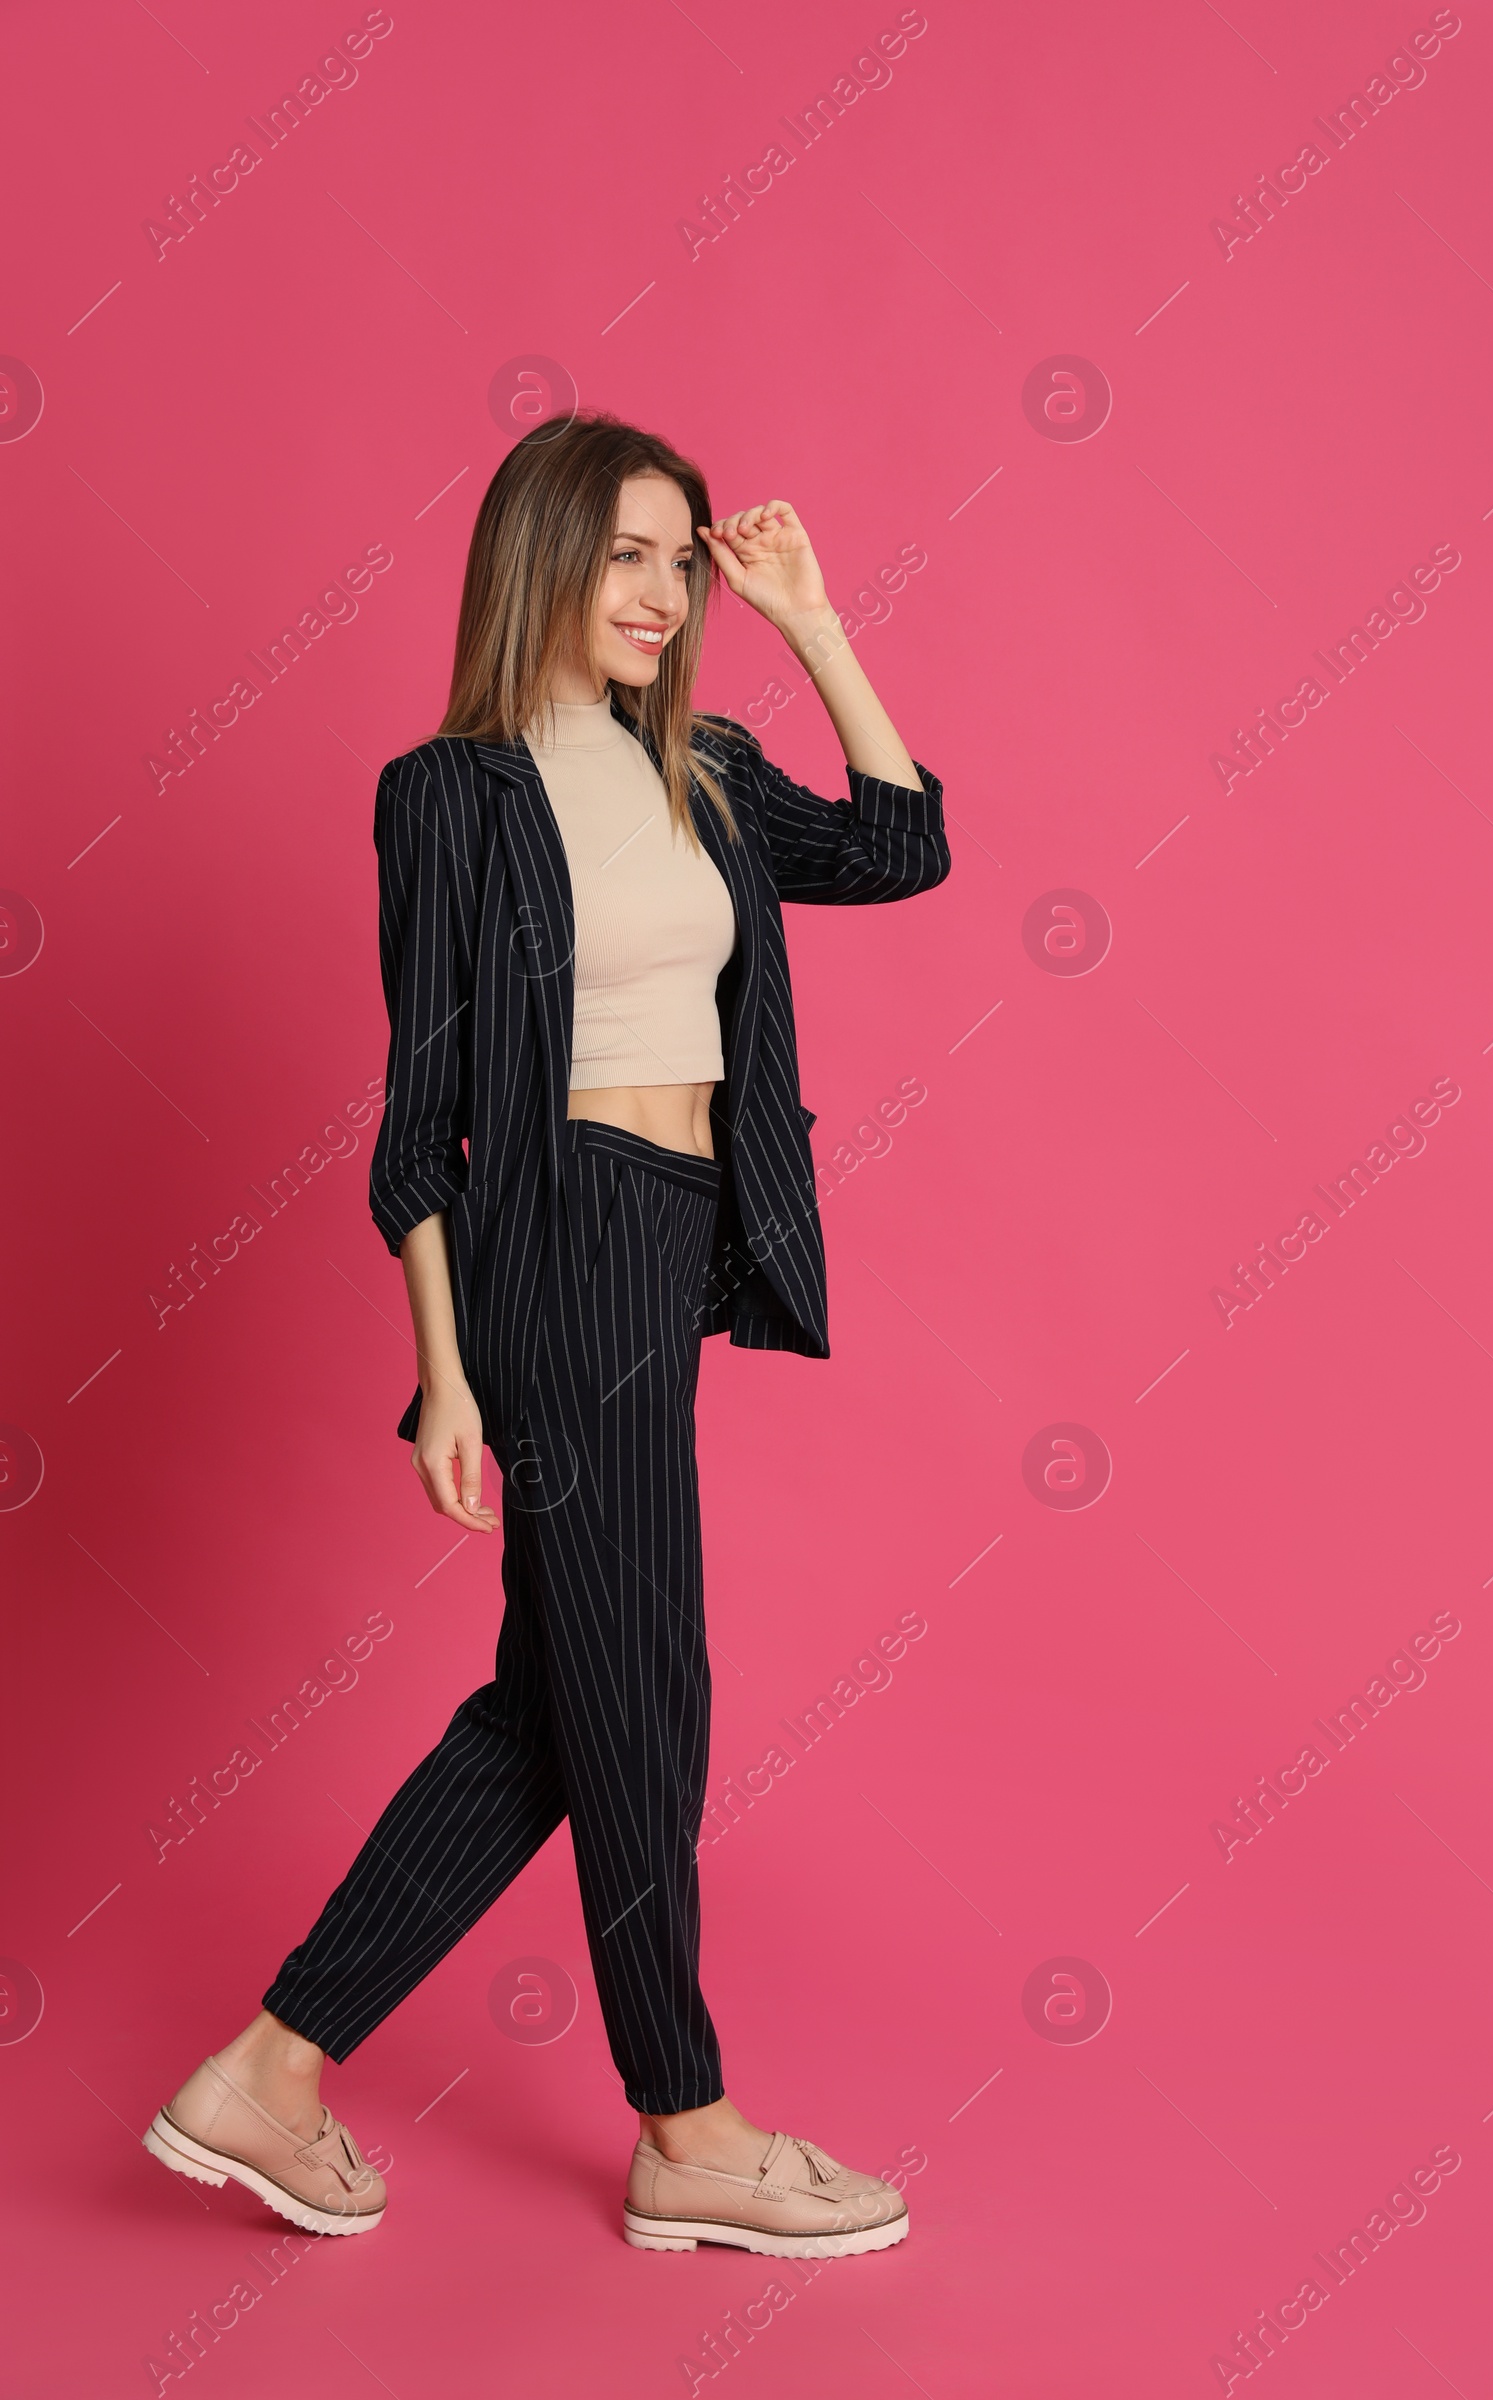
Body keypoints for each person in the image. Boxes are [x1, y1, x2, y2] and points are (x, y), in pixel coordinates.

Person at [143, 412, 950, 2257]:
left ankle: (271, 2069)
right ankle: (688, 2127)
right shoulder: (450, 794)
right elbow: (422, 1110)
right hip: (555, 1235)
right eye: (627, 557)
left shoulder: (712, 766)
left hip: (675, 1238)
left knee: (560, 1700)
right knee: (647, 1691)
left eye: (684, 559)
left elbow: (906, 849)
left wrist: (817, 620)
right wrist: (441, 1369)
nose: (666, 593)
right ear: (541, 564)